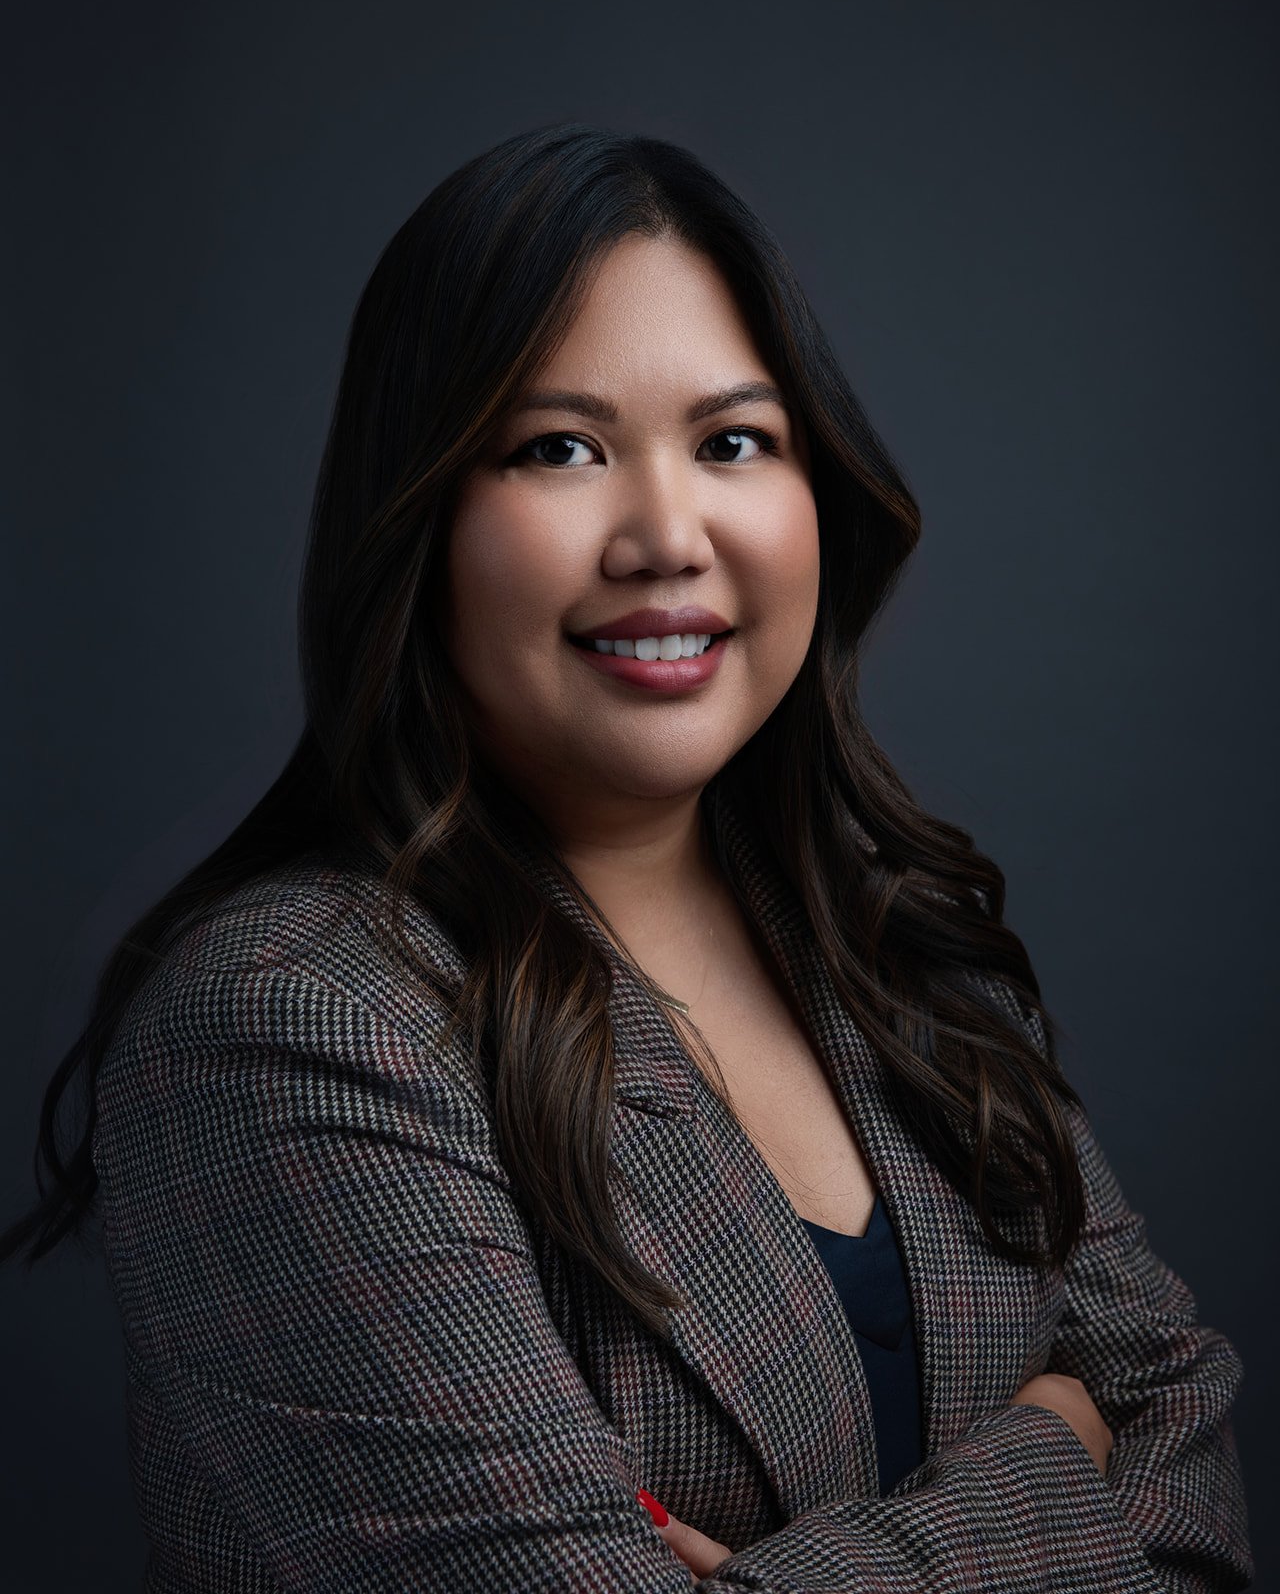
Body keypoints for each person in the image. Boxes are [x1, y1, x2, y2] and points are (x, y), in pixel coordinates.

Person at [2, 121, 1253, 1592]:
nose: (667, 534)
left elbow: (1192, 1473)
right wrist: (1054, 1458)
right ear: (418, 518)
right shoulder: (289, 1023)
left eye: (733, 442)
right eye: (560, 449)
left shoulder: (902, 947)